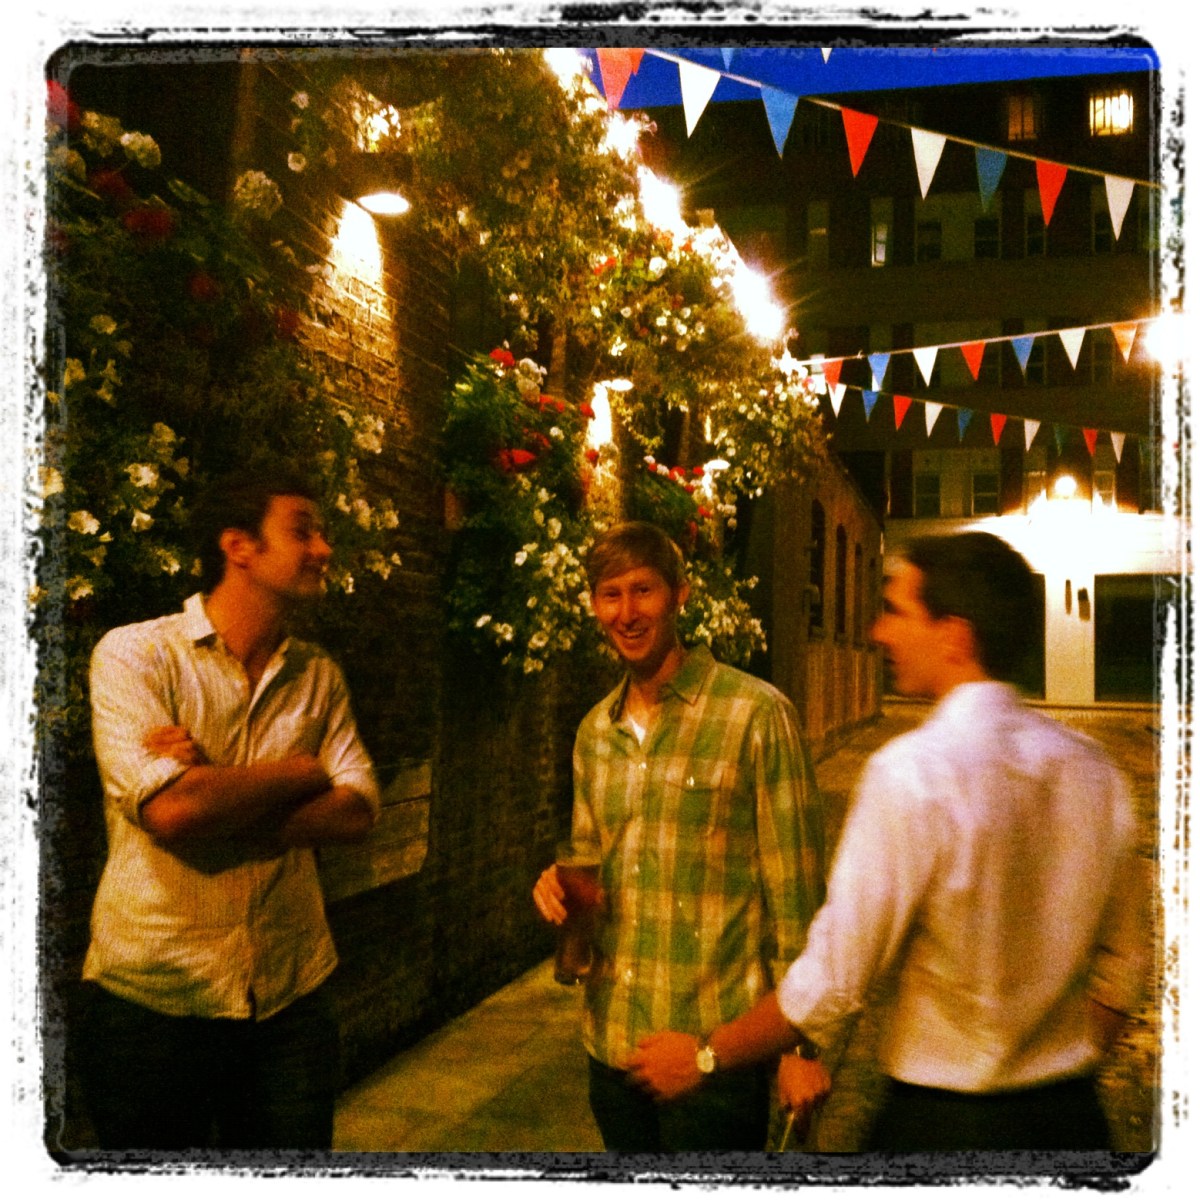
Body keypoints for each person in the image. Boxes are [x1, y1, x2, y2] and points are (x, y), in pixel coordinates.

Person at [628, 531, 1148, 1152]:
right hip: (1073, 1121)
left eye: (898, 612)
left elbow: (835, 977)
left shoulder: (912, 773)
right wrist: (1047, 1063)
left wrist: (706, 1056)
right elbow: (1126, 967)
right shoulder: (1095, 770)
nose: (879, 632)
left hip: (941, 1126)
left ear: (954, 636)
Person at [77, 464, 380, 1151]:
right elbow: (172, 815)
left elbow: (358, 811)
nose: (324, 548)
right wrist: (302, 772)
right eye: (303, 531)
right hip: (153, 1001)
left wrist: (214, 791)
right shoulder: (135, 656)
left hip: (288, 1000)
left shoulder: (318, 675)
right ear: (239, 545)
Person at [532, 520, 827, 1152]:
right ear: (594, 605)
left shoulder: (756, 715)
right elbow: (592, 864)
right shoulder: (595, 733)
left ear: (680, 595)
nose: (627, 613)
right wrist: (557, 889)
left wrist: (800, 1047)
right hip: (612, 1047)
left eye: (643, 591)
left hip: (714, 1057)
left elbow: (797, 902)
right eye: (610, 595)